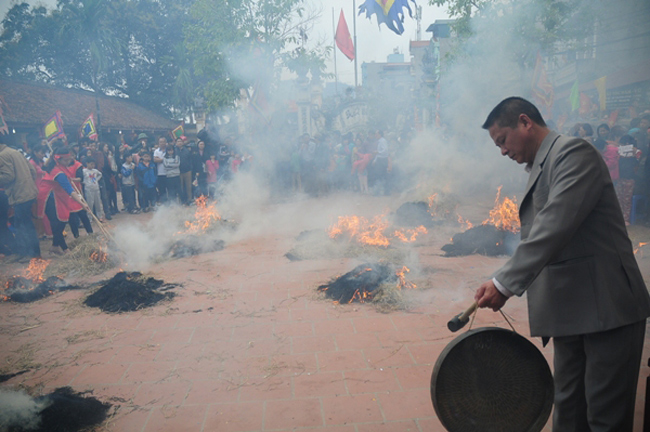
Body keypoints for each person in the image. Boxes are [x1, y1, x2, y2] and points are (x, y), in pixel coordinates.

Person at [475, 97, 650, 432]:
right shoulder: (543, 164)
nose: (502, 151)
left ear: (525, 122)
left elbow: (553, 225)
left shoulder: (573, 153)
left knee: (603, 416)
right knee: (568, 410)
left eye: (502, 141)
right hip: (569, 310)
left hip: (607, 307)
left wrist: (503, 283)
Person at [38, 147, 91, 254]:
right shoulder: (58, 171)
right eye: (65, 160)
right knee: (57, 223)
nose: (68, 162)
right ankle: (64, 248)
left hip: (57, 196)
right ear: (58, 159)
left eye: (68, 160)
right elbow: (69, 190)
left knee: (61, 221)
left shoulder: (60, 167)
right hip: (49, 197)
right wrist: (82, 203)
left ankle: (55, 245)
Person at [0, 138, 41, 259]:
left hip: (19, 194)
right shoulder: (15, 152)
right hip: (27, 192)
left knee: (24, 225)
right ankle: (27, 252)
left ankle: (31, 253)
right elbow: (32, 170)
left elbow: (8, 176)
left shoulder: (2, 155)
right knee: (22, 224)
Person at [175, 137, 193, 204]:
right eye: (178, 141)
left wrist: (190, 168)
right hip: (178, 171)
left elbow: (190, 159)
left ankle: (189, 199)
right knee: (180, 187)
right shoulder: (174, 150)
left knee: (188, 186)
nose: (179, 142)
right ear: (176, 143)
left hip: (187, 171)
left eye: (180, 141)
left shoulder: (187, 150)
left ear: (182, 142)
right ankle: (181, 201)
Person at [153, 136, 168, 203]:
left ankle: (171, 202)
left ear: (166, 142)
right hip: (160, 173)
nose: (162, 143)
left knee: (170, 189)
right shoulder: (156, 151)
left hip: (169, 173)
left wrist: (160, 159)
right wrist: (164, 160)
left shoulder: (170, 150)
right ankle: (164, 203)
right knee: (162, 189)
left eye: (163, 142)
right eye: (160, 142)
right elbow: (155, 160)